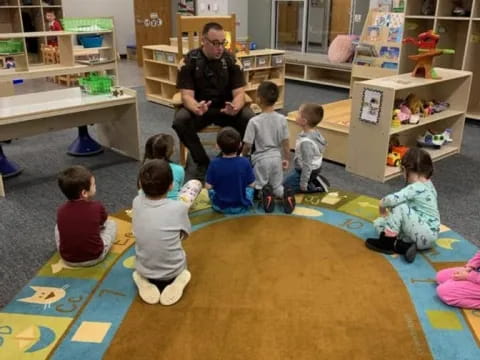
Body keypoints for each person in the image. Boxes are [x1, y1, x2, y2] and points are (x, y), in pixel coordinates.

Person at [173, 21, 255, 179]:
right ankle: (202, 162)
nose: (220, 48)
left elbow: (239, 93)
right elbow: (186, 96)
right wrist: (195, 107)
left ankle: (229, 158)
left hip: (226, 109)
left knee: (250, 119)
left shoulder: (231, 60)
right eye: (215, 43)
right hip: (200, 109)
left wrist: (236, 107)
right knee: (180, 121)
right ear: (203, 41)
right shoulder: (189, 61)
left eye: (222, 43)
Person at [132, 159, 192, 306]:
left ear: (140, 184)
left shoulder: (136, 202)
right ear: (171, 186)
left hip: (144, 267)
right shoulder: (179, 208)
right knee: (181, 258)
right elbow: (185, 234)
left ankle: (142, 277)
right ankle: (179, 279)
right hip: (174, 269)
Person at [366, 148, 440, 263]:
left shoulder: (415, 187)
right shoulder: (429, 185)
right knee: (380, 223)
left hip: (425, 234)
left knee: (399, 207)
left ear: (406, 170)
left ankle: (387, 243)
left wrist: (381, 205)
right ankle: (403, 246)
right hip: (425, 234)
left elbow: (391, 200)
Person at [242, 81, 295, 214]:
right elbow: (286, 142)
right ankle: (285, 194)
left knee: (259, 185)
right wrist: (287, 159)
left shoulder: (254, 121)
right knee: (277, 185)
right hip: (276, 158)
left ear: (258, 99)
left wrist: (243, 157)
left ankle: (265, 195)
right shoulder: (282, 119)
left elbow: (247, 144)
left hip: (260, 159)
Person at [56, 165, 117, 267]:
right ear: (84, 193)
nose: (95, 186)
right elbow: (103, 222)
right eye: (93, 185)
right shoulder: (97, 206)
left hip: (68, 259)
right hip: (95, 256)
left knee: (57, 227)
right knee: (112, 224)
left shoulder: (60, 210)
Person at [142, 133, 201, 206]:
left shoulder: (145, 168)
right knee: (195, 183)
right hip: (173, 207)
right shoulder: (178, 169)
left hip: (147, 205)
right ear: (170, 150)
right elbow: (179, 188)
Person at [206, 127, 255, 214]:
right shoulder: (245, 162)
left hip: (219, 206)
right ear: (240, 145)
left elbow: (208, 186)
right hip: (241, 205)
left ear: (217, 146)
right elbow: (252, 184)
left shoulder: (214, 163)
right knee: (250, 187)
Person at [283, 103, 329, 193]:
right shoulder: (314, 132)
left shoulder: (306, 143)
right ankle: (313, 178)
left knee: (285, 188)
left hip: (307, 170)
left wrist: (303, 184)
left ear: (304, 121)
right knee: (289, 180)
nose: (296, 115)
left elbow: (307, 165)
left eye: (298, 113)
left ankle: (312, 186)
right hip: (314, 168)